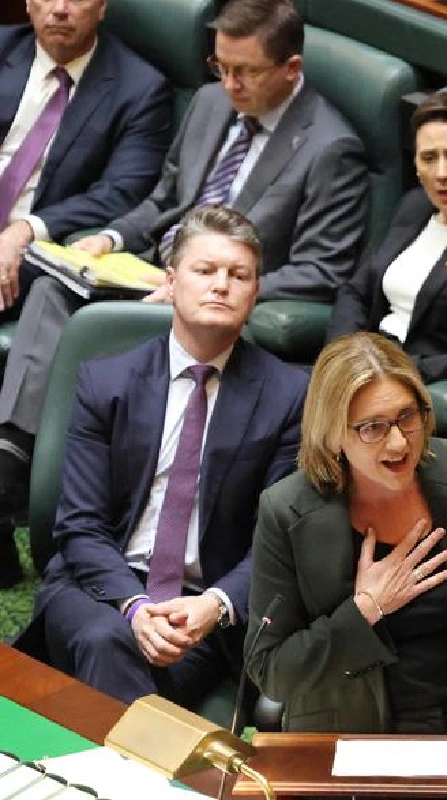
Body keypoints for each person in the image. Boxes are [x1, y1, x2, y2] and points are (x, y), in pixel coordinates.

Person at [0, 0, 366, 525]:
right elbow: (164, 201)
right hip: (151, 271)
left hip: (216, 297)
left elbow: (322, 269)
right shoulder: (211, 103)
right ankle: (12, 453)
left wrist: (204, 285)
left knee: (94, 323)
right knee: (54, 287)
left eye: (246, 71)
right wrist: (109, 238)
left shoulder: (332, 149)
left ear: (291, 68)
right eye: (221, 67)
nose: (230, 84)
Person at [13, 204, 309, 709]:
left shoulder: (288, 396)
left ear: (256, 291)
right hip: (101, 587)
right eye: (205, 270)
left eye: (239, 275)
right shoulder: (107, 382)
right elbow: (80, 525)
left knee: (117, 664)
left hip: (204, 608)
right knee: (106, 640)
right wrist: (134, 607)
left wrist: (214, 606)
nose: (221, 286)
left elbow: (277, 540)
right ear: (171, 282)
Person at [245, 332, 447, 776]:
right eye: (372, 427)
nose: (399, 444)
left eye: (407, 417)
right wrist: (364, 610)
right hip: (350, 745)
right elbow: (271, 670)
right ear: (332, 435)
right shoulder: (287, 510)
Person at [0, 0, 172, 587]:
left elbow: (124, 191)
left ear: (103, 6)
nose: (60, 8)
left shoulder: (139, 87)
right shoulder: (3, 51)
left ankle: (4, 480)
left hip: (46, 250)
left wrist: (26, 230)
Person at [327, 91, 447, 384]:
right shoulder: (414, 204)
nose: (441, 173)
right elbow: (356, 292)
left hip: (415, 379)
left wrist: (391, 372)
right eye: (429, 158)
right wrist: (342, 359)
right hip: (363, 364)